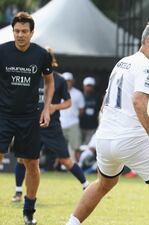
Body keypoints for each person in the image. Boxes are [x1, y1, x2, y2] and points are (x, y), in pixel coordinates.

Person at [66, 23, 149, 225]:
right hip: (131, 139)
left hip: (105, 139)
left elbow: (105, 104)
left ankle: (71, 223)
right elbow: (139, 100)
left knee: (103, 184)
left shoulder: (122, 63)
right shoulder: (147, 66)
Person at [11, 48, 89, 203]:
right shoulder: (30, 77)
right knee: (23, 159)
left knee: (66, 160)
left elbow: (68, 102)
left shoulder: (59, 80)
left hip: (51, 127)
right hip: (31, 127)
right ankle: (19, 192)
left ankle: (87, 186)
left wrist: (54, 107)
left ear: (51, 60)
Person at [0, 12, 54, 225]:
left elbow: (49, 82)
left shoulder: (41, 55)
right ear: (12, 31)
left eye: (24, 31)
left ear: (32, 33)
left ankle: (29, 211)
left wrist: (47, 108)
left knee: (32, 163)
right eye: (16, 31)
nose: (20, 35)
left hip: (30, 116)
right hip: (3, 113)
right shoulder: (2, 52)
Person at [60, 72, 85, 161]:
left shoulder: (78, 93)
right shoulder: (56, 91)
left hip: (73, 123)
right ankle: (57, 167)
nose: (67, 82)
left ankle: (78, 165)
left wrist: (74, 117)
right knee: (58, 147)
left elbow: (81, 110)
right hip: (59, 123)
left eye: (69, 81)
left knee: (76, 147)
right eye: (65, 81)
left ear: (72, 81)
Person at [80, 76, 101, 144]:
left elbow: (100, 110)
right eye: (87, 85)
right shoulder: (79, 96)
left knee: (88, 146)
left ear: (93, 86)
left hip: (92, 126)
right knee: (78, 145)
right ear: (84, 86)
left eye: (90, 86)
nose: (88, 87)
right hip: (80, 126)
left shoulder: (98, 97)